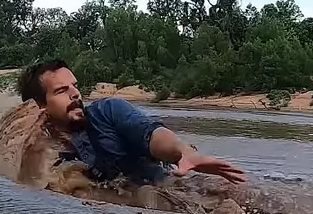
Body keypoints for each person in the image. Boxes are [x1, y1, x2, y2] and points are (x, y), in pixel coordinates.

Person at [17, 59, 247, 186]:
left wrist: (183, 152)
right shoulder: (37, 142)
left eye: (75, 86)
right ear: (40, 105)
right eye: (61, 91)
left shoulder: (109, 111)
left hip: (175, 187)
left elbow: (151, 133)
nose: (76, 94)